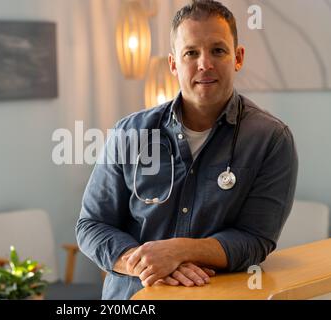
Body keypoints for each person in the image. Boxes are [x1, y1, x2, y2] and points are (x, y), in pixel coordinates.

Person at [76, 0, 298, 300]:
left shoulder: (271, 139)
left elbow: (256, 239)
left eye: (218, 50)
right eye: (191, 52)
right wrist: (146, 264)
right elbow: (92, 225)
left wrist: (178, 251)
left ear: (238, 57)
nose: (204, 63)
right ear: (173, 63)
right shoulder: (129, 133)